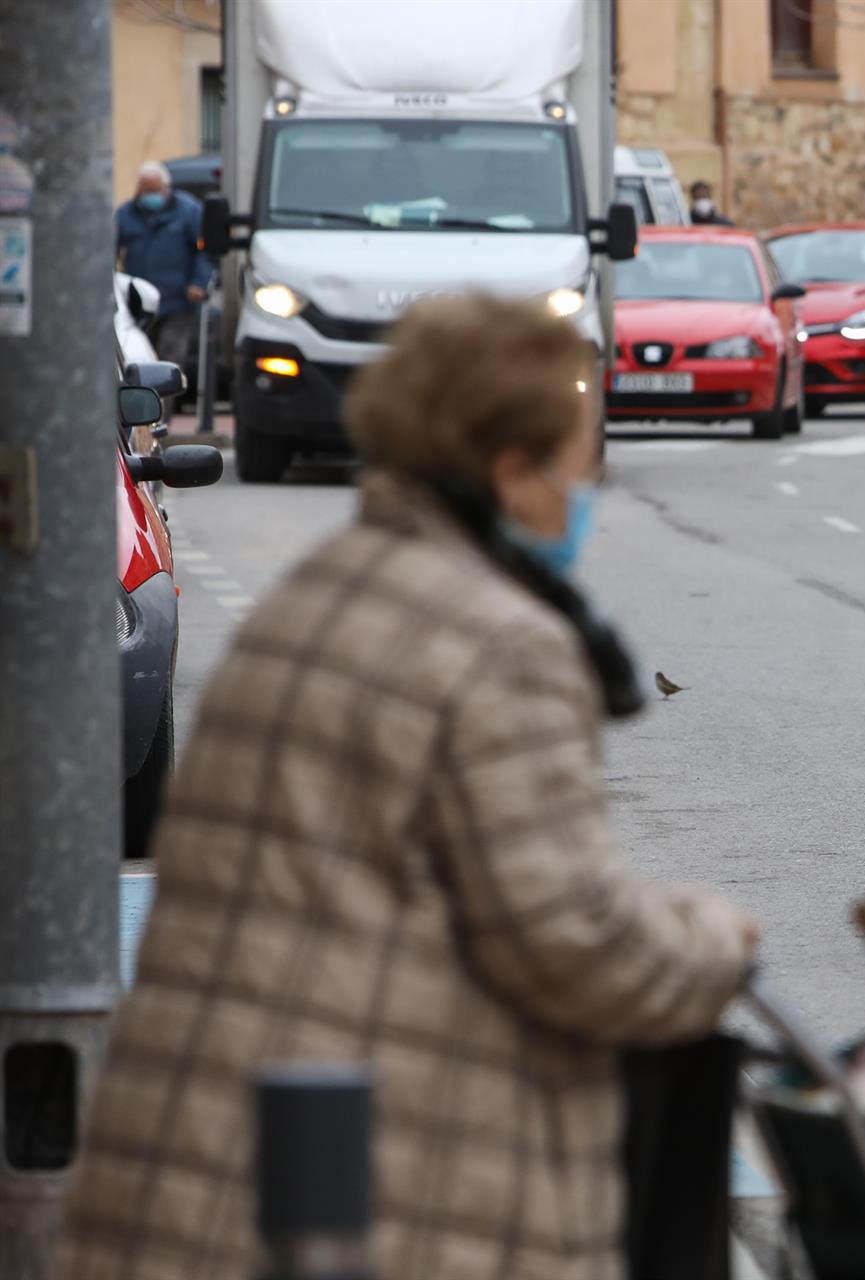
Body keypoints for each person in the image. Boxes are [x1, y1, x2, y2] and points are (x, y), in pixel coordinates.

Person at [54, 295, 758, 1280]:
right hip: (348, 1199)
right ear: (512, 469)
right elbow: (569, 936)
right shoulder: (497, 641)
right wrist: (713, 943)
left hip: (196, 1162)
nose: (587, 490)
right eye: (576, 461)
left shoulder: (322, 590)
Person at [113, 159, 211, 372]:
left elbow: (205, 250)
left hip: (178, 301)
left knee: (170, 357)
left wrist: (199, 282)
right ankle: (145, 402)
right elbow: (109, 251)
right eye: (145, 190)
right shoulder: (125, 215)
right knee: (139, 357)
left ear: (166, 188)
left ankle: (164, 405)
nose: (150, 196)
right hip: (139, 303)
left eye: (154, 190)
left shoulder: (189, 211)